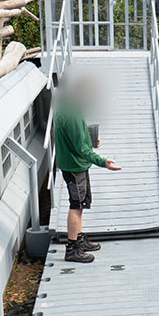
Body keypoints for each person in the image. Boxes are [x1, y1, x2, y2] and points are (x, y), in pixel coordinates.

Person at [54, 76, 121, 263]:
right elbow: (81, 149)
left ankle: (79, 239)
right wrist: (103, 162)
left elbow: (76, 136)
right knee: (76, 205)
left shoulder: (67, 107)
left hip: (73, 164)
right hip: (74, 167)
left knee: (81, 204)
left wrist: (90, 138)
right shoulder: (72, 113)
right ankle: (72, 248)